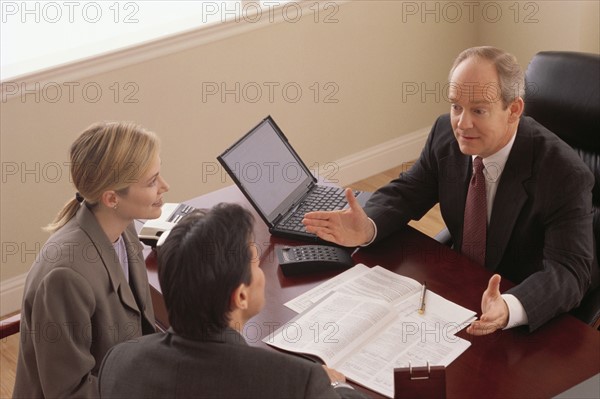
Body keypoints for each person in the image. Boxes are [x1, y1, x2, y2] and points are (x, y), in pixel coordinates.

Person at [303, 46, 596, 334]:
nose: (462, 123)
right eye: (456, 106)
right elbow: (409, 190)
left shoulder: (564, 174)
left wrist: (509, 306)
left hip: (519, 304)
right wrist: (367, 226)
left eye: (478, 110)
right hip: (460, 290)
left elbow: (569, 272)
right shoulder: (445, 133)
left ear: (514, 110)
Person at [98, 203, 368, 399]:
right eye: (254, 261)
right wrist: (335, 386)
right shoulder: (297, 382)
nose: (262, 271)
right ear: (240, 296)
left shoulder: (119, 360)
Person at [13, 121, 170, 398]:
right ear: (111, 198)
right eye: (152, 181)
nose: (164, 187)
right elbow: (70, 392)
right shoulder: (66, 275)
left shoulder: (123, 228)